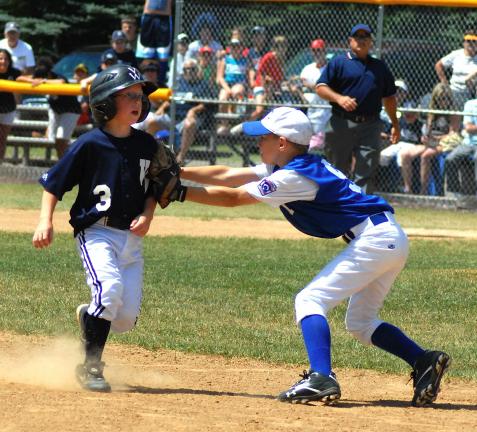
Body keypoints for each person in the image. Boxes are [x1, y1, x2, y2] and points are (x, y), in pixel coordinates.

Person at [173, 106, 451, 407]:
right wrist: (179, 172)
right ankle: (423, 359)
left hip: (375, 239)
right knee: (360, 322)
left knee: (309, 300)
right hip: (387, 238)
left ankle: (321, 377)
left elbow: (233, 197)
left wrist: (178, 192)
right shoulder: (293, 166)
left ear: (282, 143)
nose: (258, 143)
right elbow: (227, 175)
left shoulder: (294, 176)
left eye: (264, 137)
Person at [32, 64, 159, 392]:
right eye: (128, 95)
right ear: (105, 102)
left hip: (131, 239)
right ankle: (90, 367)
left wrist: (148, 215)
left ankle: (91, 315)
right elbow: (54, 185)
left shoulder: (147, 145)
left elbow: (153, 192)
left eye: (139, 95)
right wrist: (45, 221)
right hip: (97, 232)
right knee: (109, 290)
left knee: (125, 319)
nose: (137, 100)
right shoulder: (90, 143)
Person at [316, 24, 400, 193]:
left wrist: (395, 125)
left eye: (365, 37)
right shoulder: (339, 62)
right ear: (350, 41)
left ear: (371, 42)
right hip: (341, 122)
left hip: (370, 125)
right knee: (336, 171)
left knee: (366, 173)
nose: (361, 40)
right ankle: (333, 212)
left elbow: (389, 97)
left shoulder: (379, 67)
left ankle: (358, 214)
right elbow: (321, 87)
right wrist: (339, 98)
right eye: (357, 37)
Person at [147, 58, 212, 164]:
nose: (188, 72)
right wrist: (162, 108)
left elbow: (207, 103)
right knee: (152, 122)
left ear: (197, 69)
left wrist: (193, 110)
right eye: (185, 69)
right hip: (173, 115)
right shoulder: (179, 82)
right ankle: (150, 153)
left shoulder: (203, 84)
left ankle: (180, 157)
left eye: (191, 69)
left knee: (189, 123)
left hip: (189, 117)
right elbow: (170, 99)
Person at [400, 83, 461, 195]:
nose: (444, 102)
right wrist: (426, 137)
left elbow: (453, 134)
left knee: (425, 155)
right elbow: (428, 130)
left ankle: (423, 191)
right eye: (441, 99)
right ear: (436, 99)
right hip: (430, 142)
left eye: (446, 98)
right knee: (405, 155)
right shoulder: (432, 112)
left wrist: (436, 138)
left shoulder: (453, 112)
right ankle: (407, 189)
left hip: (444, 143)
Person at [17, 56, 82, 158]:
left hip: (70, 110)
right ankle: (62, 162)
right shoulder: (38, 75)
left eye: (43, 76)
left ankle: (69, 161)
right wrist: (33, 80)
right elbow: (19, 78)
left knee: (61, 138)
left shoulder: (57, 77)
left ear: (48, 74)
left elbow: (61, 82)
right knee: (55, 139)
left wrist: (44, 81)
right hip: (56, 110)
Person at [379, 101, 424, 194]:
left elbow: (422, 141)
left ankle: (405, 187)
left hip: (413, 145)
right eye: (407, 113)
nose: (408, 116)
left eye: (411, 114)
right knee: (383, 155)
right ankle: (383, 183)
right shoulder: (399, 121)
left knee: (401, 157)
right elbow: (389, 134)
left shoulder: (419, 124)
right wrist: (389, 136)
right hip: (399, 144)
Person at [300, 38, 331, 151]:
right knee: (309, 142)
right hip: (309, 107)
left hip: (325, 110)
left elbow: (326, 88)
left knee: (318, 144)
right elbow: (301, 85)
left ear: (324, 51)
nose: (317, 53)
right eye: (314, 50)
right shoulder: (307, 68)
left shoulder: (329, 69)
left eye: (319, 50)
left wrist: (310, 85)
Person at [435, 29, 477, 111]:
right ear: (464, 43)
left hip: (470, 93)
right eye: (468, 40)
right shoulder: (456, 54)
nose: (471, 43)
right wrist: (445, 84)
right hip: (453, 90)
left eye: (474, 41)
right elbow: (438, 65)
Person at [216, 38, 253, 126]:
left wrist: (248, 88)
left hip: (239, 84)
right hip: (227, 84)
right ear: (230, 48)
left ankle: (233, 118)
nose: (235, 48)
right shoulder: (225, 60)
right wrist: (227, 89)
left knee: (237, 92)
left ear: (241, 48)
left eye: (237, 46)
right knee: (222, 99)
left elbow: (248, 77)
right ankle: (225, 124)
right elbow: (220, 77)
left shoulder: (246, 60)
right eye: (233, 46)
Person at [445, 96, 477, 196]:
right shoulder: (470, 104)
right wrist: (472, 128)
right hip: (469, 143)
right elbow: (468, 128)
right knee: (450, 159)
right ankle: (455, 193)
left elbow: (472, 128)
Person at [251, 35, 288, 120]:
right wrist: (266, 88)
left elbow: (279, 78)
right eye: (279, 46)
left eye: (284, 46)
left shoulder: (282, 59)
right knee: (259, 110)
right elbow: (260, 73)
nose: (282, 49)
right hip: (261, 87)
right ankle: (243, 127)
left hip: (274, 89)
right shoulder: (269, 56)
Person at [136, 0, 173, 85]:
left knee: (163, 55)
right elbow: (148, 10)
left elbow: (167, 10)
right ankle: (142, 83)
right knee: (145, 54)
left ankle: (161, 84)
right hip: (148, 17)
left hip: (164, 19)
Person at [0, 48, 22, 161]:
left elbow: (24, 80)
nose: (3, 61)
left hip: (9, 109)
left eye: (6, 59)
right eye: (0, 58)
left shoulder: (15, 72)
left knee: (3, 138)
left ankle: (0, 164)